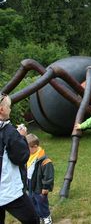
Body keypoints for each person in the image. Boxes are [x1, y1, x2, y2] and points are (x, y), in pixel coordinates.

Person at [0, 93, 39, 224]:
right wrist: (21, 136)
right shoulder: (9, 132)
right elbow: (21, 157)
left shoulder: (8, 132)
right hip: (8, 191)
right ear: (2, 110)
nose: (10, 109)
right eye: (9, 106)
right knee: (32, 220)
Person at [26, 134, 54, 224]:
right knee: (32, 200)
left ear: (35, 146)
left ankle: (46, 217)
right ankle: (39, 216)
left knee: (41, 201)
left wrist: (45, 187)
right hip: (30, 184)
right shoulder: (28, 156)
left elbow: (48, 176)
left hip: (39, 185)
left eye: (28, 148)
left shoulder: (45, 160)